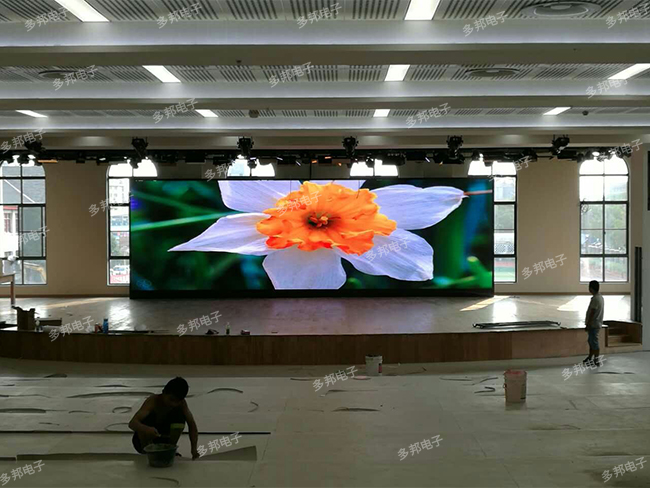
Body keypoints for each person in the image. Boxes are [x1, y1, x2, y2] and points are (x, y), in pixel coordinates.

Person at [128, 377, 200, 459]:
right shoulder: (152, 401)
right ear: (163, 393)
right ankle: (147, 452)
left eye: (177, 401)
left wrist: (194, 450)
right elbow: (132, 423)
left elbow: (192, 425)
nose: (173, 404)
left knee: (179, 419)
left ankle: (170, 449)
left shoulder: (181, 404)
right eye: (171, 399)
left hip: (164, 438)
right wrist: (145, 429)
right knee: (145, 420)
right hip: (143, 441)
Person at [583, 280, 604, 367]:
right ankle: (590, 357)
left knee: (594, 342)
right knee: (591, 341)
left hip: (593, 324)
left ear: (591, 288)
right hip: (596, 323)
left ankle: (596, 359)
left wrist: (588, 323)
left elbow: (592, 312)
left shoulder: (595, 299)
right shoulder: (600, 297)